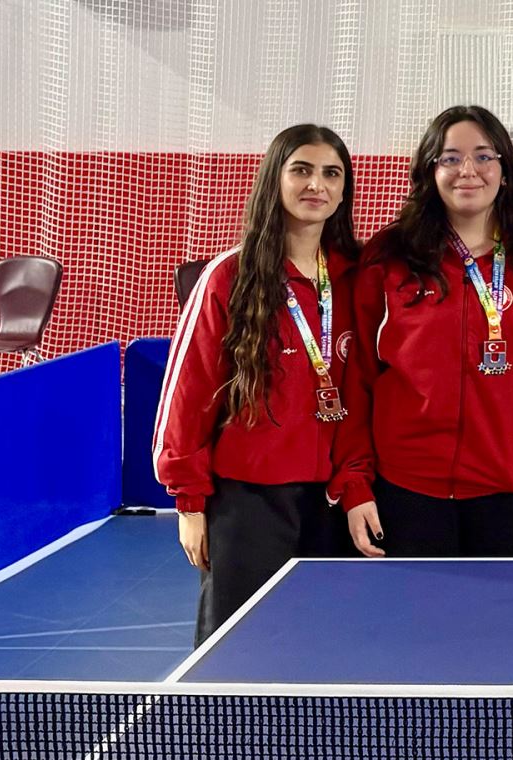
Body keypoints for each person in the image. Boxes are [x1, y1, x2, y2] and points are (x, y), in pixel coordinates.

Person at [330, 106, 513, 558]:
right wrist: (356, 483)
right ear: (430, 170)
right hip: (405, 495)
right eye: (450, 158)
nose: (468, 170)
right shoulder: (389, 258)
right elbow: (355, 378)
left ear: (505, 169)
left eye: (483, 156)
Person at [154, 123, 360, 644]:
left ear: (344, 189)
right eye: (302, 170)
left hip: (332, 501)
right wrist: (190, 503)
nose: (317, 184)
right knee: (238, 652)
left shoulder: (355, 277)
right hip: (248, 502)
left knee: (324, 647)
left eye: (331, 173)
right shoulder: (229, 277)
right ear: (274, 179)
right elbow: (188, 395)